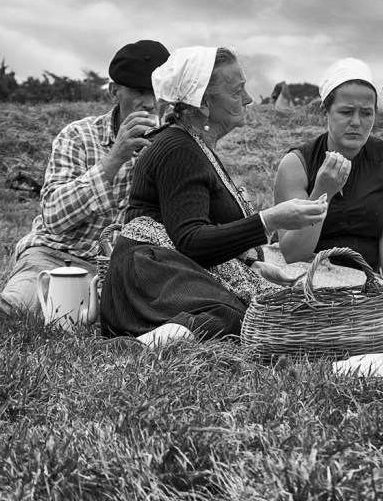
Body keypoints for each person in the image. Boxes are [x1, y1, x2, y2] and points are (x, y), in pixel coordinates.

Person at [100, 47, 329, 347]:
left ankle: (155, 341)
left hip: (162, 271)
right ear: (204, 102)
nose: (248, 99)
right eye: (237, 92)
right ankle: (139, 348)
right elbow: (192, 241)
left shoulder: (192, 145)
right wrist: (269, 220)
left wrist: (256, 266)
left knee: (256, 314)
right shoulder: (177, 149)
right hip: (149, 277)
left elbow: (198, 233)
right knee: (234, 316)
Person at [0, 40, 170, 320]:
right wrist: (115, 158)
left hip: (127, 267)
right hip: (57, 257)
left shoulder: (171, 141)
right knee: (21, 309)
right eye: (139, 92)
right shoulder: (78, 136)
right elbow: (54, 216)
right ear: (115, 92)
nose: (150, 103)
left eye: (157, 92)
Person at [274, 59, 383, 276]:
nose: (356, 122)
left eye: (366, 113)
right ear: (325, 111)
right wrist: (322, 193)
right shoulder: (296, 165)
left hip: (366, 284)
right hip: (308, 281)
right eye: (346, 112)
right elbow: (292, 253)